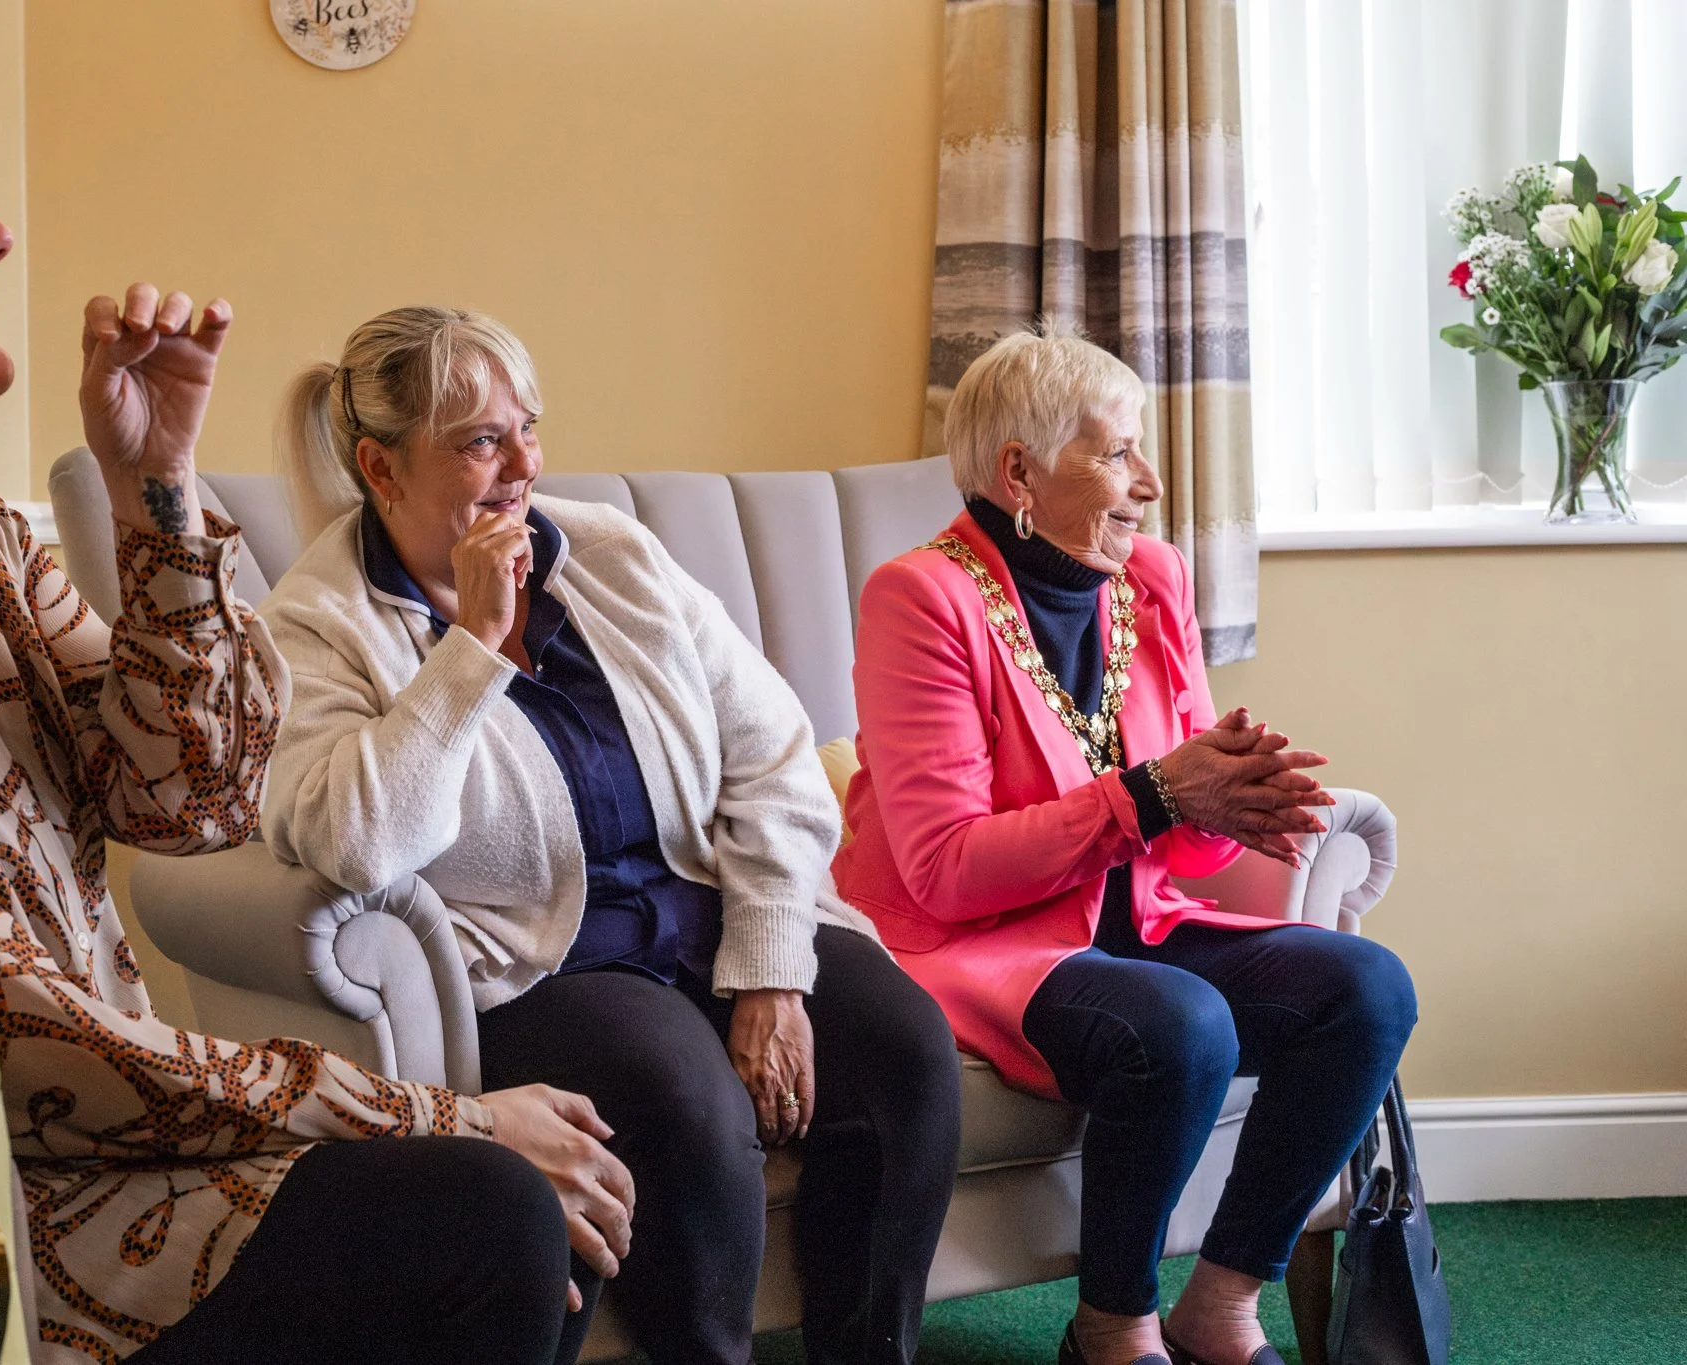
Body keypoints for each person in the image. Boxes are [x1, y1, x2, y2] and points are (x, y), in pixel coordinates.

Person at [0, 44, 630, 1365]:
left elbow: (190, 796)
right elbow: (20, 1037)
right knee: (479, 1212)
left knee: (495, 1216)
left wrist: (156, 483)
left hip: (119, 1184)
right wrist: (442, 1113)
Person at [259, 306, 964, 1365]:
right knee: (688, 1106)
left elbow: (771, 748)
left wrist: (771, 966)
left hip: (710, 913)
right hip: (545, 966)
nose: (520, 466)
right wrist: (469, 652)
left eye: (527, 429)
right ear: (380, 466)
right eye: (479, 441)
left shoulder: (607, 554)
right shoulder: (316, 623)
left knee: (906, 1053)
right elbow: (352, 841)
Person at [833, 331, 1417, 1365]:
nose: (1147, 484)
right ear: (1017, 469)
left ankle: (1223, 1304)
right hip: (973, 946)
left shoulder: (1150, 578)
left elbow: (1176, 858)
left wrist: (1228, 803)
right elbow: (946, 869)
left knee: (1366, 986)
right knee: (1178, 1021)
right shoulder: (919, 598)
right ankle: (1112, 1327)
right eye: (1115, 455)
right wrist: (1153, 794)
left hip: (1133, 924)